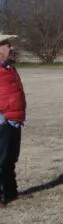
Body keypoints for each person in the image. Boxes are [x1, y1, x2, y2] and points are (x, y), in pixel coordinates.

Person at [0, 33, 31, 208]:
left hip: (15, 119)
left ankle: (11, 192)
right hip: (3, 121)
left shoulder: (9, 67)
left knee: (10, 159)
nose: (10, 47)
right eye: (6, 44)